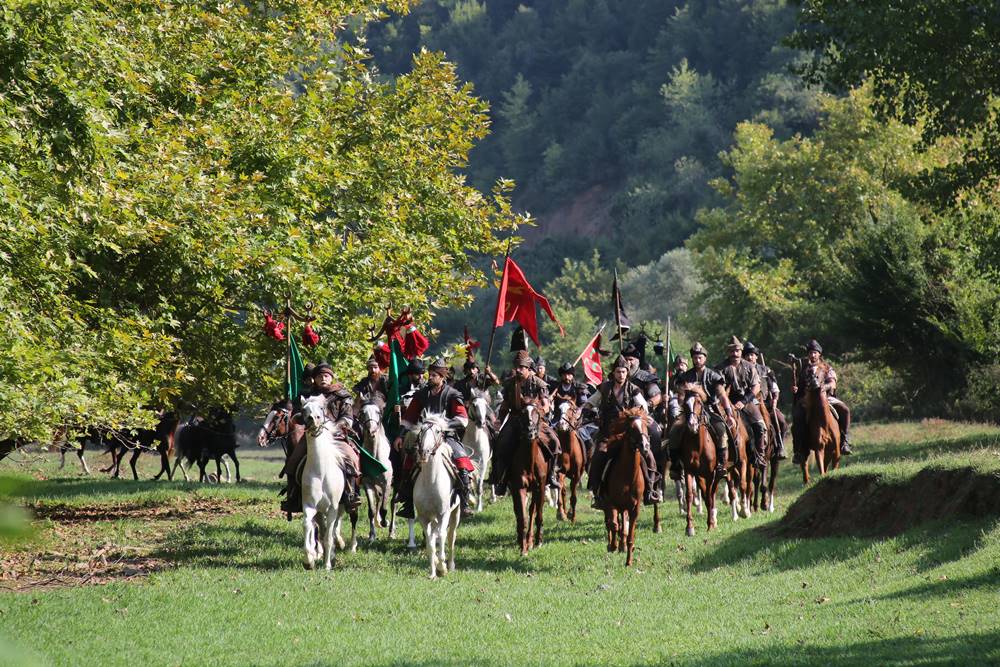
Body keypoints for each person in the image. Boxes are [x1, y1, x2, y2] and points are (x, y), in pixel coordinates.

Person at [393, 358, 476, 519]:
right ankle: (408, 502)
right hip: (424, 434)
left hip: (447, 436)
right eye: (429, 374)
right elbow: (409, 418)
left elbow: (463, 420)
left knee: (461, 460)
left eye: (433, 375)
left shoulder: (452, 394)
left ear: (442, 377)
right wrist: (400, 436)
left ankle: (465, 502)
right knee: (409, 459)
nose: (429, 377)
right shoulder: (421, 394)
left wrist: (442, 424)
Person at [280, 362, 361, 516]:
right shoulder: (308, 396)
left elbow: (348, 416)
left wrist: (336, 426)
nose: (323, 378)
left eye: (326, 376)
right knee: (292, 462)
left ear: (331, 378)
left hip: (336, 437)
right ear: (314, 379)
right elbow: (298, 416)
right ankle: (293, 497)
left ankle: (350, 495)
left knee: (351, 458)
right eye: (319, 376)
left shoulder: (342, 395)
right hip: (311, 436)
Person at [586, 355, 662, 507]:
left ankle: (650, 491)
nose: (621, 375)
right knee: (598, 457)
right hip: (608, 434)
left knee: (649, 456)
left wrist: (634, 414)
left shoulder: (633, 389)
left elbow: (643, 408)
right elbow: (589, 403)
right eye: (618, 372)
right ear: (613, 373)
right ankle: (597, 493)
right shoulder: (605, 388)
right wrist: (590, 412)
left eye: (623, 372)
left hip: (629, 435)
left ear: (627, 373)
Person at [487, 350, 560, 492]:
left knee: (555, 442)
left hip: (536, 421)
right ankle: (499, 478)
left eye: (521, 367)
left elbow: (546, 404)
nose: (518, 370)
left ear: (528, 369)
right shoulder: (510, 384)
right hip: (515, 420)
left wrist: (538, 410)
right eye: (517, 367)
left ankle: (551, 476)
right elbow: (505, 405)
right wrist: (500, 420)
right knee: (500, 443)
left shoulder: (539, 383)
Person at [666, 343, 737, 481]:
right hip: (689, 411)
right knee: (674, 431)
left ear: (705, 358)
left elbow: (722, 396)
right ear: (692, 359)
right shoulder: (685, 376)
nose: (697, 360)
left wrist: (729, 414)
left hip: (709, 410)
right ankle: (676, 466)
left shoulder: (714, 375)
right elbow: (681, 397)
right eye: (695, 358)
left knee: (722, 430)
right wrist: (683, 396)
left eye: (700, 357)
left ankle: (722, 464)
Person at [791, 339, 853, 462]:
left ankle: (845, 441)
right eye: (810, 353)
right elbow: (800, 387)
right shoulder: (804, 370)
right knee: (797, 418)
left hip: (826, 398)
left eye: (815, 352)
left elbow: (833, 383)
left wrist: (824, 387)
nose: (812, 355)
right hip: (807, 400)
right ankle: (800, 450)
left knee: (845, 410)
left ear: (819, 354)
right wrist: (796, 389)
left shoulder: (827, 368)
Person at [715, 336, 768, 468]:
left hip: (747, 401)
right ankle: (718, 460)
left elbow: (756, 387)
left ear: (741, 351)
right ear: (728, 352)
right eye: (732, 351)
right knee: (714, 427)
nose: (735, 354)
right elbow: (719, 389)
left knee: (760, 426)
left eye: (737, 351)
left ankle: (759, 456)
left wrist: (744, 401)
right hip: (725, 403)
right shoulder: (721, 368)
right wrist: (727, 403)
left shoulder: (749, 367)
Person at [742, 341, 787, 460]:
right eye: (747, 355)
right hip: (749, 405)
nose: (750, 357)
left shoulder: (766, 370)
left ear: (756, 356)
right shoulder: (741, 370)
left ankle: (780, 447)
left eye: (752, 355)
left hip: (766, 404)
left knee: (781, 421)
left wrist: (775, 400)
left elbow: (774, 388)